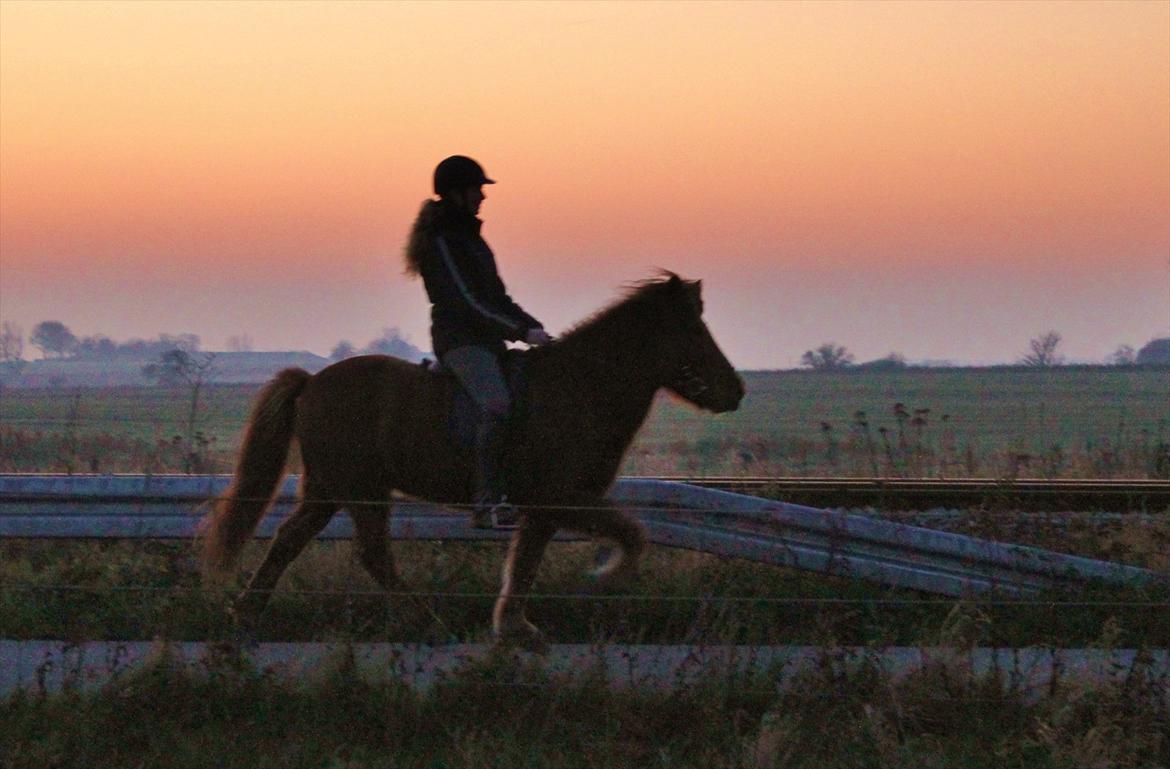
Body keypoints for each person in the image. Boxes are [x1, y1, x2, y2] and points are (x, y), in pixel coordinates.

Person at [404, 155, 553, 529]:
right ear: (456, 193)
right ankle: (486, 503)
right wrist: (521, 333)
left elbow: (499, 300)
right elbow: (465, 301)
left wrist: (539, 331)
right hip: (461, 341)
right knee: (498, 404)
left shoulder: (472, 239)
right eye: (477, 190)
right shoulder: (442, 241)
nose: (482, 197)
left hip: (487, 341)